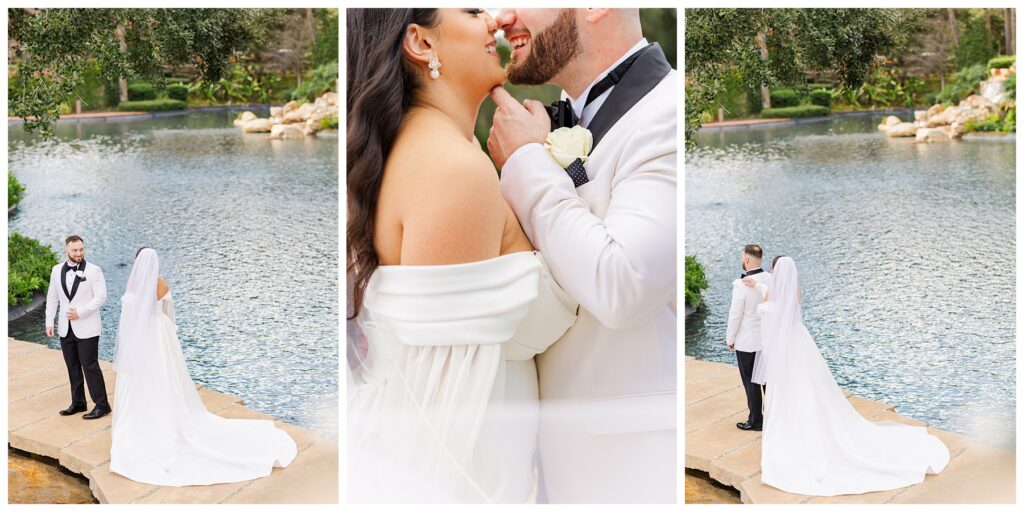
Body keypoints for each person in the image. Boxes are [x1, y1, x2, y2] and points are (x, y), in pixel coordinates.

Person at [345, 8, 577, 502]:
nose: (494, 20)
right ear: (422, 44)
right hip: (475, 475)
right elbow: (446, 403)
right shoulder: (453, 172)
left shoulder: (445, 148)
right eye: (472, 10)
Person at [488, 8, 677, 503]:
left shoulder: (667, 112)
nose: (503, 16)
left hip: (630, 467)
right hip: (554, 458)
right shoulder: (564, 115)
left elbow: (623, 285)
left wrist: (530, 161)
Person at [747, 256, 949, 496]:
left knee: (788, 392)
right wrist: (759, 287)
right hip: (799, 345)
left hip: (784, 350)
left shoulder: (771, 294)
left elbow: (771, 317)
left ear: (775, 271)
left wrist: (759, 290)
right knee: (807, 388)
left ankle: (793, 439)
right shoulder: (796, 291)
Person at [109, 247, 296, 486]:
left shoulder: (132, 287)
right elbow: (168, 313)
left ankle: (139, 428)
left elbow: (127, 323)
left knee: (142, 384)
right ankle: (168, 421)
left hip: (141, 341)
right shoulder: (162, 284)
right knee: (166, 379)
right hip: (160, 336)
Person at [45, 235, 111, 420]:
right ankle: (78, 403)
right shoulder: (57, 270)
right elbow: (52, 297)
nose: (79, 253)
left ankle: (102, 405)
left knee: (90, 366)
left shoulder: (94, 270)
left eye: (81, 249)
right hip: (66, 328)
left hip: (87, 326)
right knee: (72, 365)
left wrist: (80, 312)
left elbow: (101, 297)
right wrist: (49, 321)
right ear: (67, 249)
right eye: (75, 250)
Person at [727, 244, 773, 431]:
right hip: (768, 340)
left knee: (750, 381)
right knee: (768, 382)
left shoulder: (740, 284)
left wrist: (730, 338)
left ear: (746, 260)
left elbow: (735, 315)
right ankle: (772, 417)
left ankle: (756, 420)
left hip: (747, 342)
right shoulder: (771, 278)